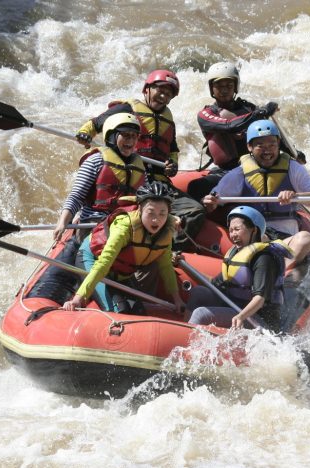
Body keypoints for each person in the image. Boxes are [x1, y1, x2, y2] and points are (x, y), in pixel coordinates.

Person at [75, 69, 205, 250]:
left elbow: (173, 149)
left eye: (168, 94)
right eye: (160, 90)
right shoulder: (127, 109)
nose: (163, 96)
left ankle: (168, 249)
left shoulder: (168, 120)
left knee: (195, 210)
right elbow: (96, 123)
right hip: (134, 179)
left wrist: (172, 164)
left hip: (159, 182)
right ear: (147, 90)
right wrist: (85, 133)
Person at [202, 119, 310, 267]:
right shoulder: (239, 174)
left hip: (286, 238)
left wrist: (295, 196)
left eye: (272, 145)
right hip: (256, 235)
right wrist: (210, 203)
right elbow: (212, 202)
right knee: (259, 238)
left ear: (278, 144)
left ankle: (282, 271)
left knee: (305, 239)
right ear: (249, 147)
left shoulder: (293, 168)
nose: (267, 151)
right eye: (260, 145)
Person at [62, 182, 185, 315]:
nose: (156, 220)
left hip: (121, 273)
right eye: (151, 213)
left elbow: (166, 266)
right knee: (119, 311)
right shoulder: (124, 227)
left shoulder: (166, 230)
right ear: (140, 209)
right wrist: (78, 298)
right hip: (93, 259)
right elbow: (104, 262)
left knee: (138, 312)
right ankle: (81, 293)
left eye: (162, 214)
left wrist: (177, 299)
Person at [185, 206, 305, 331]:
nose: (233, 235)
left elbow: (260, 299)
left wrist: (241, 316)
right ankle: (183, 330)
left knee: (201, 314)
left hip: (258, 319)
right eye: (231, 230)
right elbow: (213, 284)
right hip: (236, 307)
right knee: (198, 292)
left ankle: (185, 338)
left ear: (254, 230)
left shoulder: (264, 258)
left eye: (237, 229)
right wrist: (186, 267)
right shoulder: (236, 255)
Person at [189, 62, 280, 199]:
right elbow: (229, 125)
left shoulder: (249, 109)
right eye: (219, 86)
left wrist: (294, 151)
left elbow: (270, 134)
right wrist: (258, 114)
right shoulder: (206, 114)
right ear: (211, 88)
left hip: (256, 167)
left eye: (229, 85)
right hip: (226, 171)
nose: (224, 90)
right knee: (195, 187)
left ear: (235, 87)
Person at [53, 112, 145, 239]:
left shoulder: (139, 166)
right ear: (112, 136)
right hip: (94, 223)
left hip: (125, 223)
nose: (131, 140)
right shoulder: (96, 160)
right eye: (125, 135)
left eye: (134, 136)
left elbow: (146, 199)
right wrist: (62, 222)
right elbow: (76, 197)